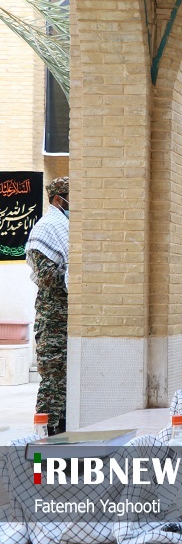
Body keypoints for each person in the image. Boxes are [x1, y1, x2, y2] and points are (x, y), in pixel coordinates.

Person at [25, 177, 70, 435]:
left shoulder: (65, 227)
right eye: (71, 198)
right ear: (58, 199)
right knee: (52, 381)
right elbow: (46, 277)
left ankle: (62, 433)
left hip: (68, 319)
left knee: (66, 383)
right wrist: (75, 271)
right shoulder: (46, 229)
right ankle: (45, 436)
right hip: (53, 320)